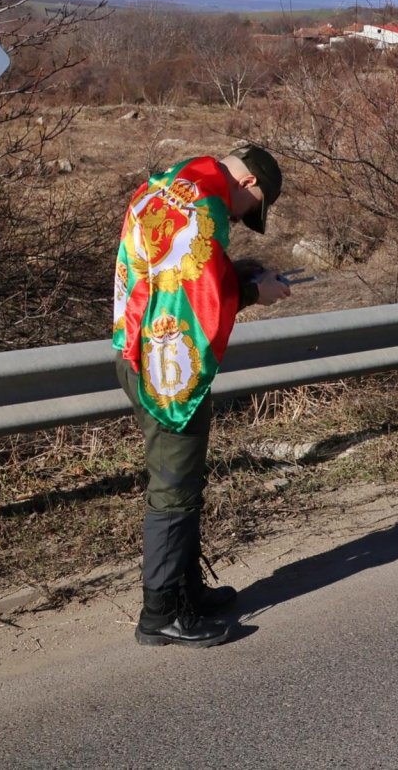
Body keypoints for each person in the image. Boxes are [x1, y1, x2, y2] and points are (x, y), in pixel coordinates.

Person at [114, 145, 294, 646]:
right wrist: (257, 293)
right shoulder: (204, 209)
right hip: (166, 367)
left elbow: (176, 271)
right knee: (173, 486)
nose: (238, 221)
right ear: (250, 186)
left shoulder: (172, 185)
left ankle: (186, 590)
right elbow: (197, 298)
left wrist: (237, 274)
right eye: (248, 213)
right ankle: (162, 614)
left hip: (138, 346)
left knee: (185, 479)